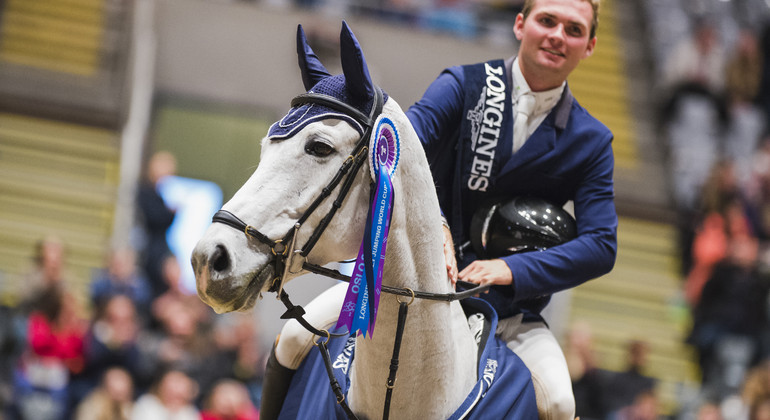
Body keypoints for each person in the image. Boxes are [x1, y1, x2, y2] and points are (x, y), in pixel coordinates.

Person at [404, 0, 617, 418]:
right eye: (547, 20)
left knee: (558, 401)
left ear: (589, 47)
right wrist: (437, 224)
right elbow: (399, 152)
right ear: (521, 25)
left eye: (574, 30)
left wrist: (510, 271)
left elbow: (601, 245)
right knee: (297, 340)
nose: (558, 35)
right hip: (415, 283)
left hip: (508, 312)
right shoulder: (462, 85)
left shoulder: (591, 141)